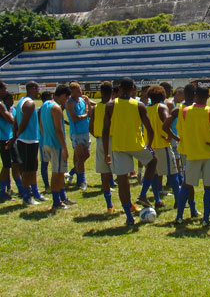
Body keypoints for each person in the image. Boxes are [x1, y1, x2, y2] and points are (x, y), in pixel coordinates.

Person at [102, 77, 158, 226]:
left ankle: (129, 216)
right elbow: (150, 130)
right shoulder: (139, 105)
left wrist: (106, 152)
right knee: (153, 161)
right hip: (136, 144)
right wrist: (149, 145)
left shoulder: (111, 105)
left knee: (122, 181)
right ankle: (143, 194)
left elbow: (105, 130)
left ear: (119, 88)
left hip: (118, 146)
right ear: (133, 88)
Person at [175, 86, 210, 227]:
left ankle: (179, 216)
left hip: (192, 154)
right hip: (209, 154)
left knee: (186, 185)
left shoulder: (186, 111)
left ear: (195, 95)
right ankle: (205, 219)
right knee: (209, 187)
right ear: (208, 96)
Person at [163, 83, 200, 219]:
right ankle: (193, 208)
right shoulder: (197, 108)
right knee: (207, 182)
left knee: (187, 180)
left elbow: (165, 126)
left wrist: (177, 138)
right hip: (199, 149)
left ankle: (191, 208)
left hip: (185, 149)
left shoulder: (179, 109)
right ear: (195, 95)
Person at [39, 84, 74, 210]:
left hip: (46, 143)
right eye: (66, 98)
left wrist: (45, 136)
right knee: (57, 173)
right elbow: (59, 130)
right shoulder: (56, 108)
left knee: (58, 172)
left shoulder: (45, 105)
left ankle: (61, 198)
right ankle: (56, 201)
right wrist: (64, 148)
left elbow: (41, 123)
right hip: (56, 144)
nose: (66, 102)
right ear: (64, 96)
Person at [13, 81, 46, 205]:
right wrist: (18, 134)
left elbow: (16, 120)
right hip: (27, 140)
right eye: (37, 89)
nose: (38, 91)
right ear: (32, 88)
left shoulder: (21, 101)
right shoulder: (29, 103)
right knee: (27, 170)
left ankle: (36, 192)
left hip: (31, 139)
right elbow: (23, 122)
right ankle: (27, 196)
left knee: (33, 168)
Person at [146, 85, 179, 209]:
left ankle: (157, 200)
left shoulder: (146, 109)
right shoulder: (162, 107)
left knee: (154, 174)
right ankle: (178, 200)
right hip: (162, 145)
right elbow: (167, 123)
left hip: (150, 146)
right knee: (173, 173)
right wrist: (171, 137)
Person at [0, 81, 21, 201]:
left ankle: (20, 189)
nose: (6, 91)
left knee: (15, 163)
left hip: (7, 137)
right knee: (7, 165)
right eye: (4, 89)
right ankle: (2, 192)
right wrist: (10, 109)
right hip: (3, 138)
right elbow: (10, 119)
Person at [90, 81, 116, 212]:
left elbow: (90, 127)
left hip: (100, 140)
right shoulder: (113, 106)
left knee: (104, 174)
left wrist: (98, 136)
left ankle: (109, 204)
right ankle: (128, 204)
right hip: (113, 140)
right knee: (122, 173)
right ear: (112, 92)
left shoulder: (96, 108)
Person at [65, 81, 91, 191]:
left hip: (85, 131)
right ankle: (82, 181)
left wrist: (88, 104)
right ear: (72, 92)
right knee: (80, 157)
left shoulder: (82, 100)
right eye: (78, 91)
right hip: (76, 133)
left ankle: (71, 173)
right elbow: (75, 118)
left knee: (86, 155)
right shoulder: (70, 103)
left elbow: (90, 108)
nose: (81, 92)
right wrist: (86, 114)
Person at [3, 92, 24, 197]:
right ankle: (19, 188)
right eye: (9, 99)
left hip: (17, 138)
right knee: (14, 164)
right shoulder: (4, 110)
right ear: (4, 101)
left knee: (19, 164)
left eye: (12, 99)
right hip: (9, 139)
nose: (11, 101)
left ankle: (20, 187)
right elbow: (12, 121)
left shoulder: (14, 109)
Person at [38, 91, 53, 194]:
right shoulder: (41, 110)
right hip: (44, 141)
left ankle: (54, 185)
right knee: (45, 164)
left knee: (50, 164)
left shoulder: (44, 109)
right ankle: (47, 186)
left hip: (46, 140)